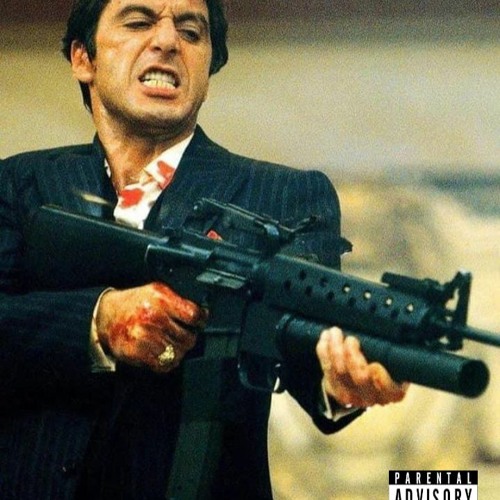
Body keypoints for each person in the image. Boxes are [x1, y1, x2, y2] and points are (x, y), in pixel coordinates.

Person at [0, 0, 408, 498]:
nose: (168, 41)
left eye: (191, 32)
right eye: (138, 22)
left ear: (209, 68)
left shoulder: (285, 195)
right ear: (83, 59)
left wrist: (342, 380)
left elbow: (306, 337)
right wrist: (99, 321)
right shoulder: (17, 185)